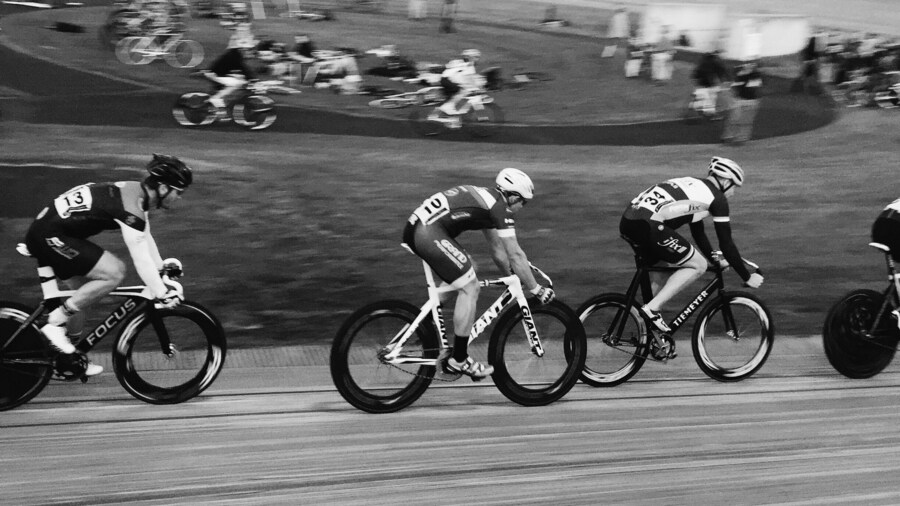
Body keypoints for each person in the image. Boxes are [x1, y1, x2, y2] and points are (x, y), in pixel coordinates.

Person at [24, 154, 192, 376]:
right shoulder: (132, 208)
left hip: (50, 231)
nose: (179, 198)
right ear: (162, 189)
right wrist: (161, 293)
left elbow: (145, 235)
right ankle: (54, 325)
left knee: (84, 294)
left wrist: (161, 267)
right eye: (178, 192)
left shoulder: (136, 193)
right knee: (114, 272)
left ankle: (68, 358)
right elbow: (140, 258)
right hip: (50, 235)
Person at [401, 168, 555, 379]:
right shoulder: (500, 208)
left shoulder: (489, 200)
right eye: (524, 202)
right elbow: (516, 255)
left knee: (468, 267)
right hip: (427, 232)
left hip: (420, 227)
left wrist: (515, 277)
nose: (522, 207)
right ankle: (459, 360)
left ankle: (426, 321)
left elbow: (499, 252)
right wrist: (536, 289)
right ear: (513, 196)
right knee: (470, 287)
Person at [618, 157, 764, 337]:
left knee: (663, 271)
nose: (733, 192)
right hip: (650, 225)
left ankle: (645, 333)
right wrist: (747, 276)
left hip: (629, 222)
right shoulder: (717, 199)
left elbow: (698, 233)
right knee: (698, 265)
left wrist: (715, 260)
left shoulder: (695, 187)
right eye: (734, 186)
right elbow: (726, 243)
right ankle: (652, 311)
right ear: (725, 181)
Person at [205, 29, 258, 112]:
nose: (249, 52)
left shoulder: (235, 53)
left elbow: (241, 68)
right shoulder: (235, 56)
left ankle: (220, 101)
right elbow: (243, 68)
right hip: (216, 74)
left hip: (220, 73)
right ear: (242, 49)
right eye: (248, 50)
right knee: (237, 84)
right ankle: (216, 99)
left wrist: (248, 78)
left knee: (240, 81)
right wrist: (252, 79)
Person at [430, 49, 485, 128]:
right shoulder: (470, 65)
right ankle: (448, 110)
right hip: (450, 81)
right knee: (462, 93)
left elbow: (445, 68)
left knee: (456, 96)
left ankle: (450, 117)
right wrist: (477, 88)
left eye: (478, 57)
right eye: (476, 57)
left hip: (445, 79)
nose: (477, 59)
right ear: (470, 57)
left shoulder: (456, 61)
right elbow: (470, 78)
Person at [722, 60, 762, 145]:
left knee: (746, 121)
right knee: (733, 119)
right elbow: (734, 87)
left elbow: (751, 88)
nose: (748, 66)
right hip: (739, 100)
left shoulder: (756, 76)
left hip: (751, 101)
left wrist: (743, 76)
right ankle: (728, 137)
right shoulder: (739, 74)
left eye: (751, 64)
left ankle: (741, 138)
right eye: (747, 64)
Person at [691, 49, 730, 118]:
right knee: (711, 97)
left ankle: (696, 106)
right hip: (710, 83)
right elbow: (721, 71)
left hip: (701, 82)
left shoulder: (702, 63)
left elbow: (696, 73)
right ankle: (709, 112)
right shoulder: (715, 62)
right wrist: (724, 80)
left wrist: (695, 79)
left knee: (703, 96)